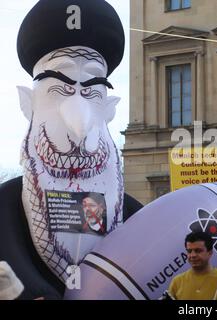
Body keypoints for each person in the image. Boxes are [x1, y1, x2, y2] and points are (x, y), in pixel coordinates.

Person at [0, 0, 143, 299]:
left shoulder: (137, 220)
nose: (79, 124)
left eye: (91, 90)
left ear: (109, 109)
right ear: (29, 104)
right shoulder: (4, 211)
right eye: (60, 88)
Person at [168, 231, 217, 300]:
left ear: (210, 253)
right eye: (189, 251)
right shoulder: (177, 281)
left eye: (198, 251)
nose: (193, 255)